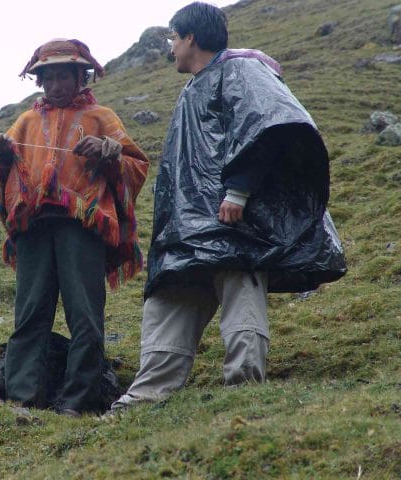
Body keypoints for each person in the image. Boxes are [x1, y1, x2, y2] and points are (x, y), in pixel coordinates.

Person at [111, 2, 346, 410]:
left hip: (232, 217)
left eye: (173, 38)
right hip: (189, 225)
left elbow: (268, 126)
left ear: (191, 39)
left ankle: (243, 389)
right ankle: (146, 396)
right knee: (171, 298)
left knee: (240, 289)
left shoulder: (242, 70)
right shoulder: (197, 84)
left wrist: (238, 192)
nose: (170, 48)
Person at [0, 39, 149, 415]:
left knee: (86, 317)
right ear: (39, 81)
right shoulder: (25, 122)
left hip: (82, 229)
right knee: (29, 316)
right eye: (49, 78)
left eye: (64, 76)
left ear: (81, 76)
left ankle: (77, 402)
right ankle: (21, 400)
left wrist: (110, 153)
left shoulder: (101, 118)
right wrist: (2, 154)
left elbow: (137, 166)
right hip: (34, 229)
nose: (56, 85)